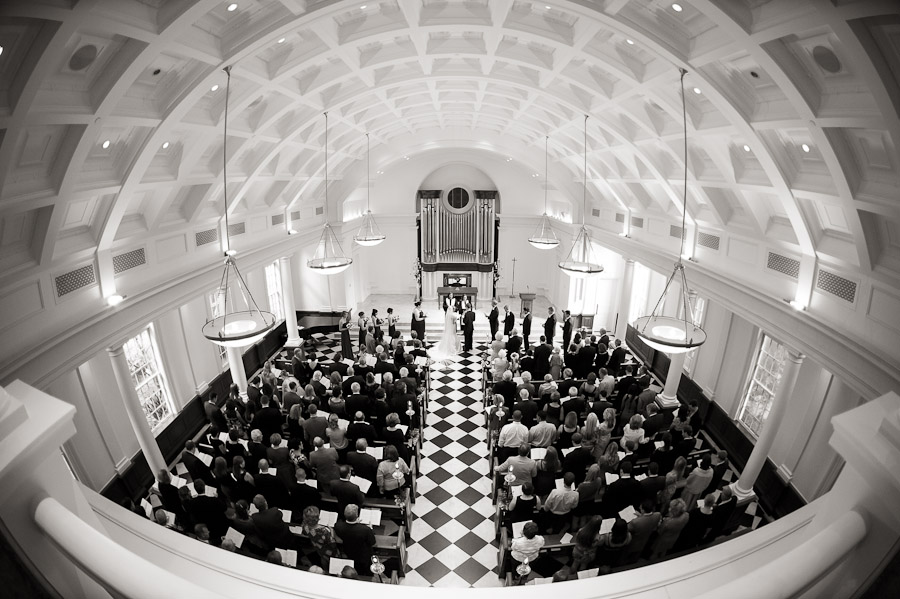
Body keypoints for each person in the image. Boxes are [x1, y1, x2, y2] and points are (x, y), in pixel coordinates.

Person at [334, 504, 376, 573]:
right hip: (363, 554)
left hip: (348, 551)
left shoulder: (338, 525)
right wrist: (370, 528)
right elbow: (372, 542)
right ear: (357, 515)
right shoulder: (365, 530)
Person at [621, 498, 662, 563]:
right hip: (645, 540)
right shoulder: (657, 515)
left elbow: (627, 528)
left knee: (626, 556)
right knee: (636, 556)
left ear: (643, 509)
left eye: (640, 507)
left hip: (634, 542)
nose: (639, 507)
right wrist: (641, 515)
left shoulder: (635, 522)